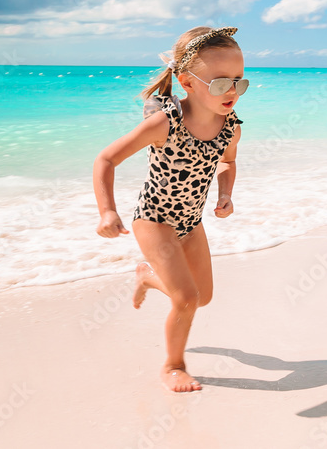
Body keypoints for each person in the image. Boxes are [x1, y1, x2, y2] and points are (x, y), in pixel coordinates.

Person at [92, 25, 248, 392]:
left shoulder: (231, 128)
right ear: (187, 82)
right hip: (155, 219)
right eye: (221, 83)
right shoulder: (166, 122)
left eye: (239, 82)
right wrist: (107, 211)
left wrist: (225, 193)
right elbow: (106, 159)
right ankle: (173, 366)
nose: (232, 92)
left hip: (191, 222)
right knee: (187, 298)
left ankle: (147, 276)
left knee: (202, 297)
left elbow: (227, 162)